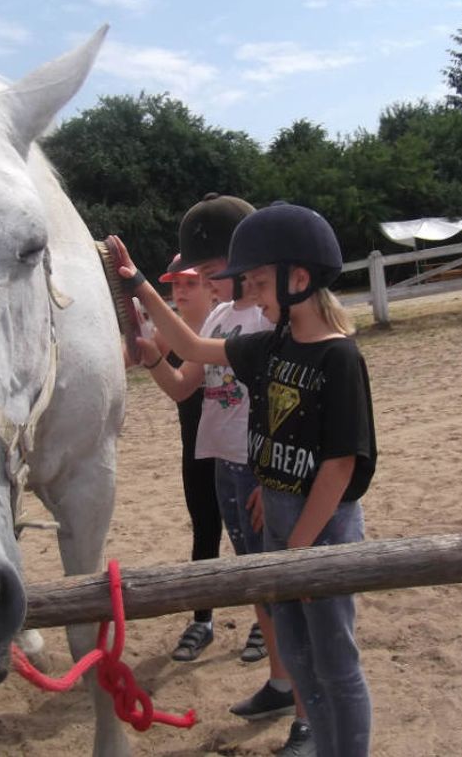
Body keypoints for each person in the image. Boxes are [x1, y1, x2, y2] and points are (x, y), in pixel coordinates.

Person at [107, 201, 377, 757]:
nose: (251, 295)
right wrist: (137, 285)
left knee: (334, 659)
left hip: (317, 533)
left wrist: (297, 547)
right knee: (299, 653)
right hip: (281, 525)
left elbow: (341, 463)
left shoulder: (338, 359)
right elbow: (193, 350)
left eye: (258, 283)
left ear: (298, 279)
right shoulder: (272, 345)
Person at [132, 195, 311, 756]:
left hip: (260, 470)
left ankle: (307, 713)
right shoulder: (217, 315)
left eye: (215, 272)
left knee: (285, 591)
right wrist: (151, 358)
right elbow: (186, 385)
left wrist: (269, 477)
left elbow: (289, 404)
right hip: (226, 468)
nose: (210, 282)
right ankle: (282, 684)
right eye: (204, 273)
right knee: (257, 583)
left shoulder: (266, 318)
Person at [147, 255, 225, 662]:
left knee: (255, 541)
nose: (178, 290)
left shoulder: (227, 327)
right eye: (174, 282)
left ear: (212, 284)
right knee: (205, 531)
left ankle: (266, 620)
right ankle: (203, 619)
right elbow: (140, 355)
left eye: (188, 282)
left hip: (237, 451)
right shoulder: (169, 335)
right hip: (195, 448)